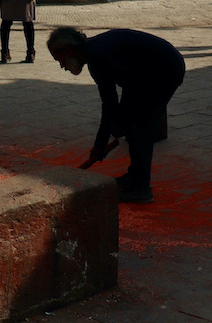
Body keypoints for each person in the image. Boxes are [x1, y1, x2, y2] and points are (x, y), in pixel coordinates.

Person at [47, 25, 185, 204]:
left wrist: (100, 143)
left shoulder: (97, 56)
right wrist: (118, 123)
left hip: (162, 72)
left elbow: (110, 103)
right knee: (131, 123)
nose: (63, 67)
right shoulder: (95, 52)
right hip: (145, 75)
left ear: (67, 50)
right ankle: (135, 175)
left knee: (140, 127)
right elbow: (121, 93)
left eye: (61, 61)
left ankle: (140, 188)